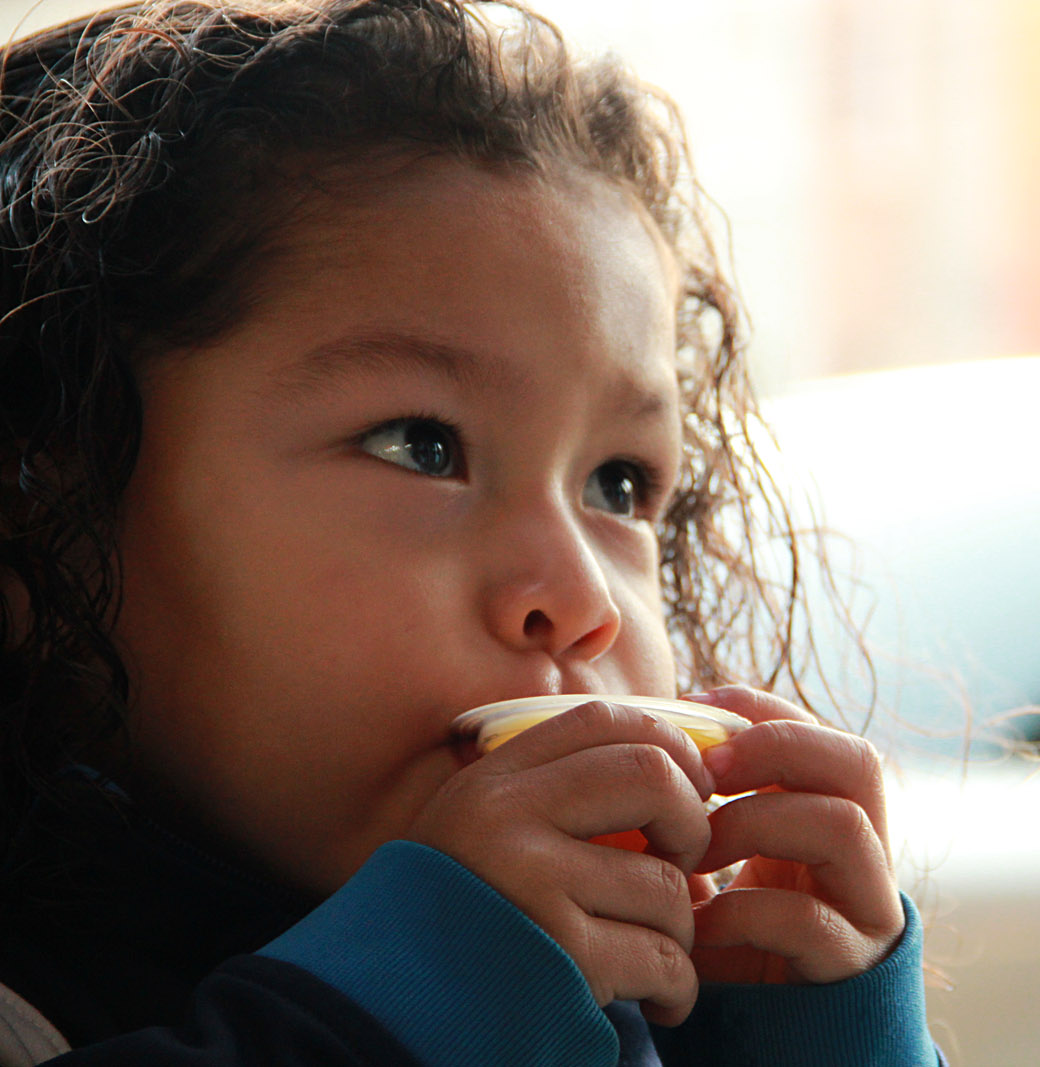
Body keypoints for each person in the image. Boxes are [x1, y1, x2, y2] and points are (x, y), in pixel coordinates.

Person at [0, 0, 941, 1062]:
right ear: (45, 512)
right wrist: (424, 991)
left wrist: (815, 1040)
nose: (580, 599)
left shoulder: (627, 995)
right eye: (421, 445)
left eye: (618, 484)